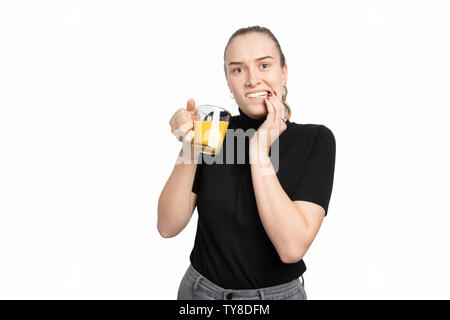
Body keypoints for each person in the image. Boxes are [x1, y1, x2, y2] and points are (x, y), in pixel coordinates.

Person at [158, 26, 336, 300]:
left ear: (283, 72)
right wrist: (188, 147)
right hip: (198, 293)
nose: (252, 79)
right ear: (228, 80)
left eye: (264, 65)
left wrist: (259, 150)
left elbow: (291, 248)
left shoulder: (315, 140)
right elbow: (168, 226)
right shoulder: (214, 132)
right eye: (238, 69)